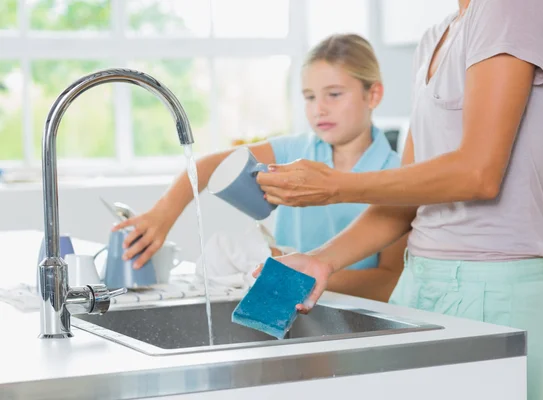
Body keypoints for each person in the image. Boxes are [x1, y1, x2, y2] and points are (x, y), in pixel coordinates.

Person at [255, 0, 543, 398]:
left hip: (492, 289)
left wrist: (338, 185)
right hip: (419, 284)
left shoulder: (511, 7)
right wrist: (322, 259)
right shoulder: (435, 37)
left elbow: (479, 174)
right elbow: (408, 198)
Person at [113, 34, 408, 302]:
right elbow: (207, 167)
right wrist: (164, 213)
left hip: (355, 313)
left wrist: (301, 272)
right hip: (284, 301)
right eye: (309, 97)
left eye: (334, 94)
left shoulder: (397, 177)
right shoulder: (294, 151)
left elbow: (387, 281)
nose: (319, 108)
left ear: (373, 95)